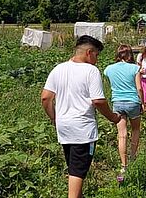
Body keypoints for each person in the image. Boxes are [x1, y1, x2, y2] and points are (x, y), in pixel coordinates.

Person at [41, 35, 121, 198]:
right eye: (96, 55)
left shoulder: (59, 69)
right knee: (77, 175)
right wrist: (113, 117)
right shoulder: (91, 71)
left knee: (74, 171)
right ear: (89, 52)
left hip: (64, 127)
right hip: (82, 130)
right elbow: (98, 101)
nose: (97, 60)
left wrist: (54, 118)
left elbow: (46, 98)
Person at [104, 45, 142, 183]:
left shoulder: (108, 69)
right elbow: (139, 87)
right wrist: (142, 102)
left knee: (122, 134)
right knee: (136, 129)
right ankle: (132, 156)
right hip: (132, 102)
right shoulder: (135, 68)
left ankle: (123, 165)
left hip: (117, 103)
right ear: (130, 55)